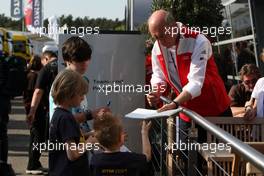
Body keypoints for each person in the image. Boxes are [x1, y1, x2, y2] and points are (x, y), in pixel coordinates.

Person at [146, 10, 231, 174]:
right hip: (187, 111)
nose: (159, 41)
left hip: (215, 111)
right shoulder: (158, 45)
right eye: (155, 37)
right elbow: (158, 75)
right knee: (188, 161)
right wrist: (156, 91)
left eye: (162, 35)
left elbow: (196, 83)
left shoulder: (199, 40)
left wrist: (175, 102)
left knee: (220, 162)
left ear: (172, 27)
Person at [49, 36, 109, 133]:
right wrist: (91, 114)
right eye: (80, 60)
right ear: (67, 60)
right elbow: (60, 121)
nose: (85, 63)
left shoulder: (77, 80)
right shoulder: (63, 84)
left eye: (87, 58)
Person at [49, 69, 94, 176]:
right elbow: (72, 154)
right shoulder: (66, 118)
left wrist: (89, 134)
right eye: (81, 94)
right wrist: (90, 143)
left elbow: (69, 140)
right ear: (69, 94)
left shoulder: (58, 114)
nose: (83, 98)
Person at [26, 50, 58, 174]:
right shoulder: (64, 65)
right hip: (62, 109)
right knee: (39, 138)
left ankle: (35, 164)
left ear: (46, 59)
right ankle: (33, 164)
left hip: (48, 110)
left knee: (41, 138)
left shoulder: (46, 69)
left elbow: (37, 92)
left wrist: (31, 111)